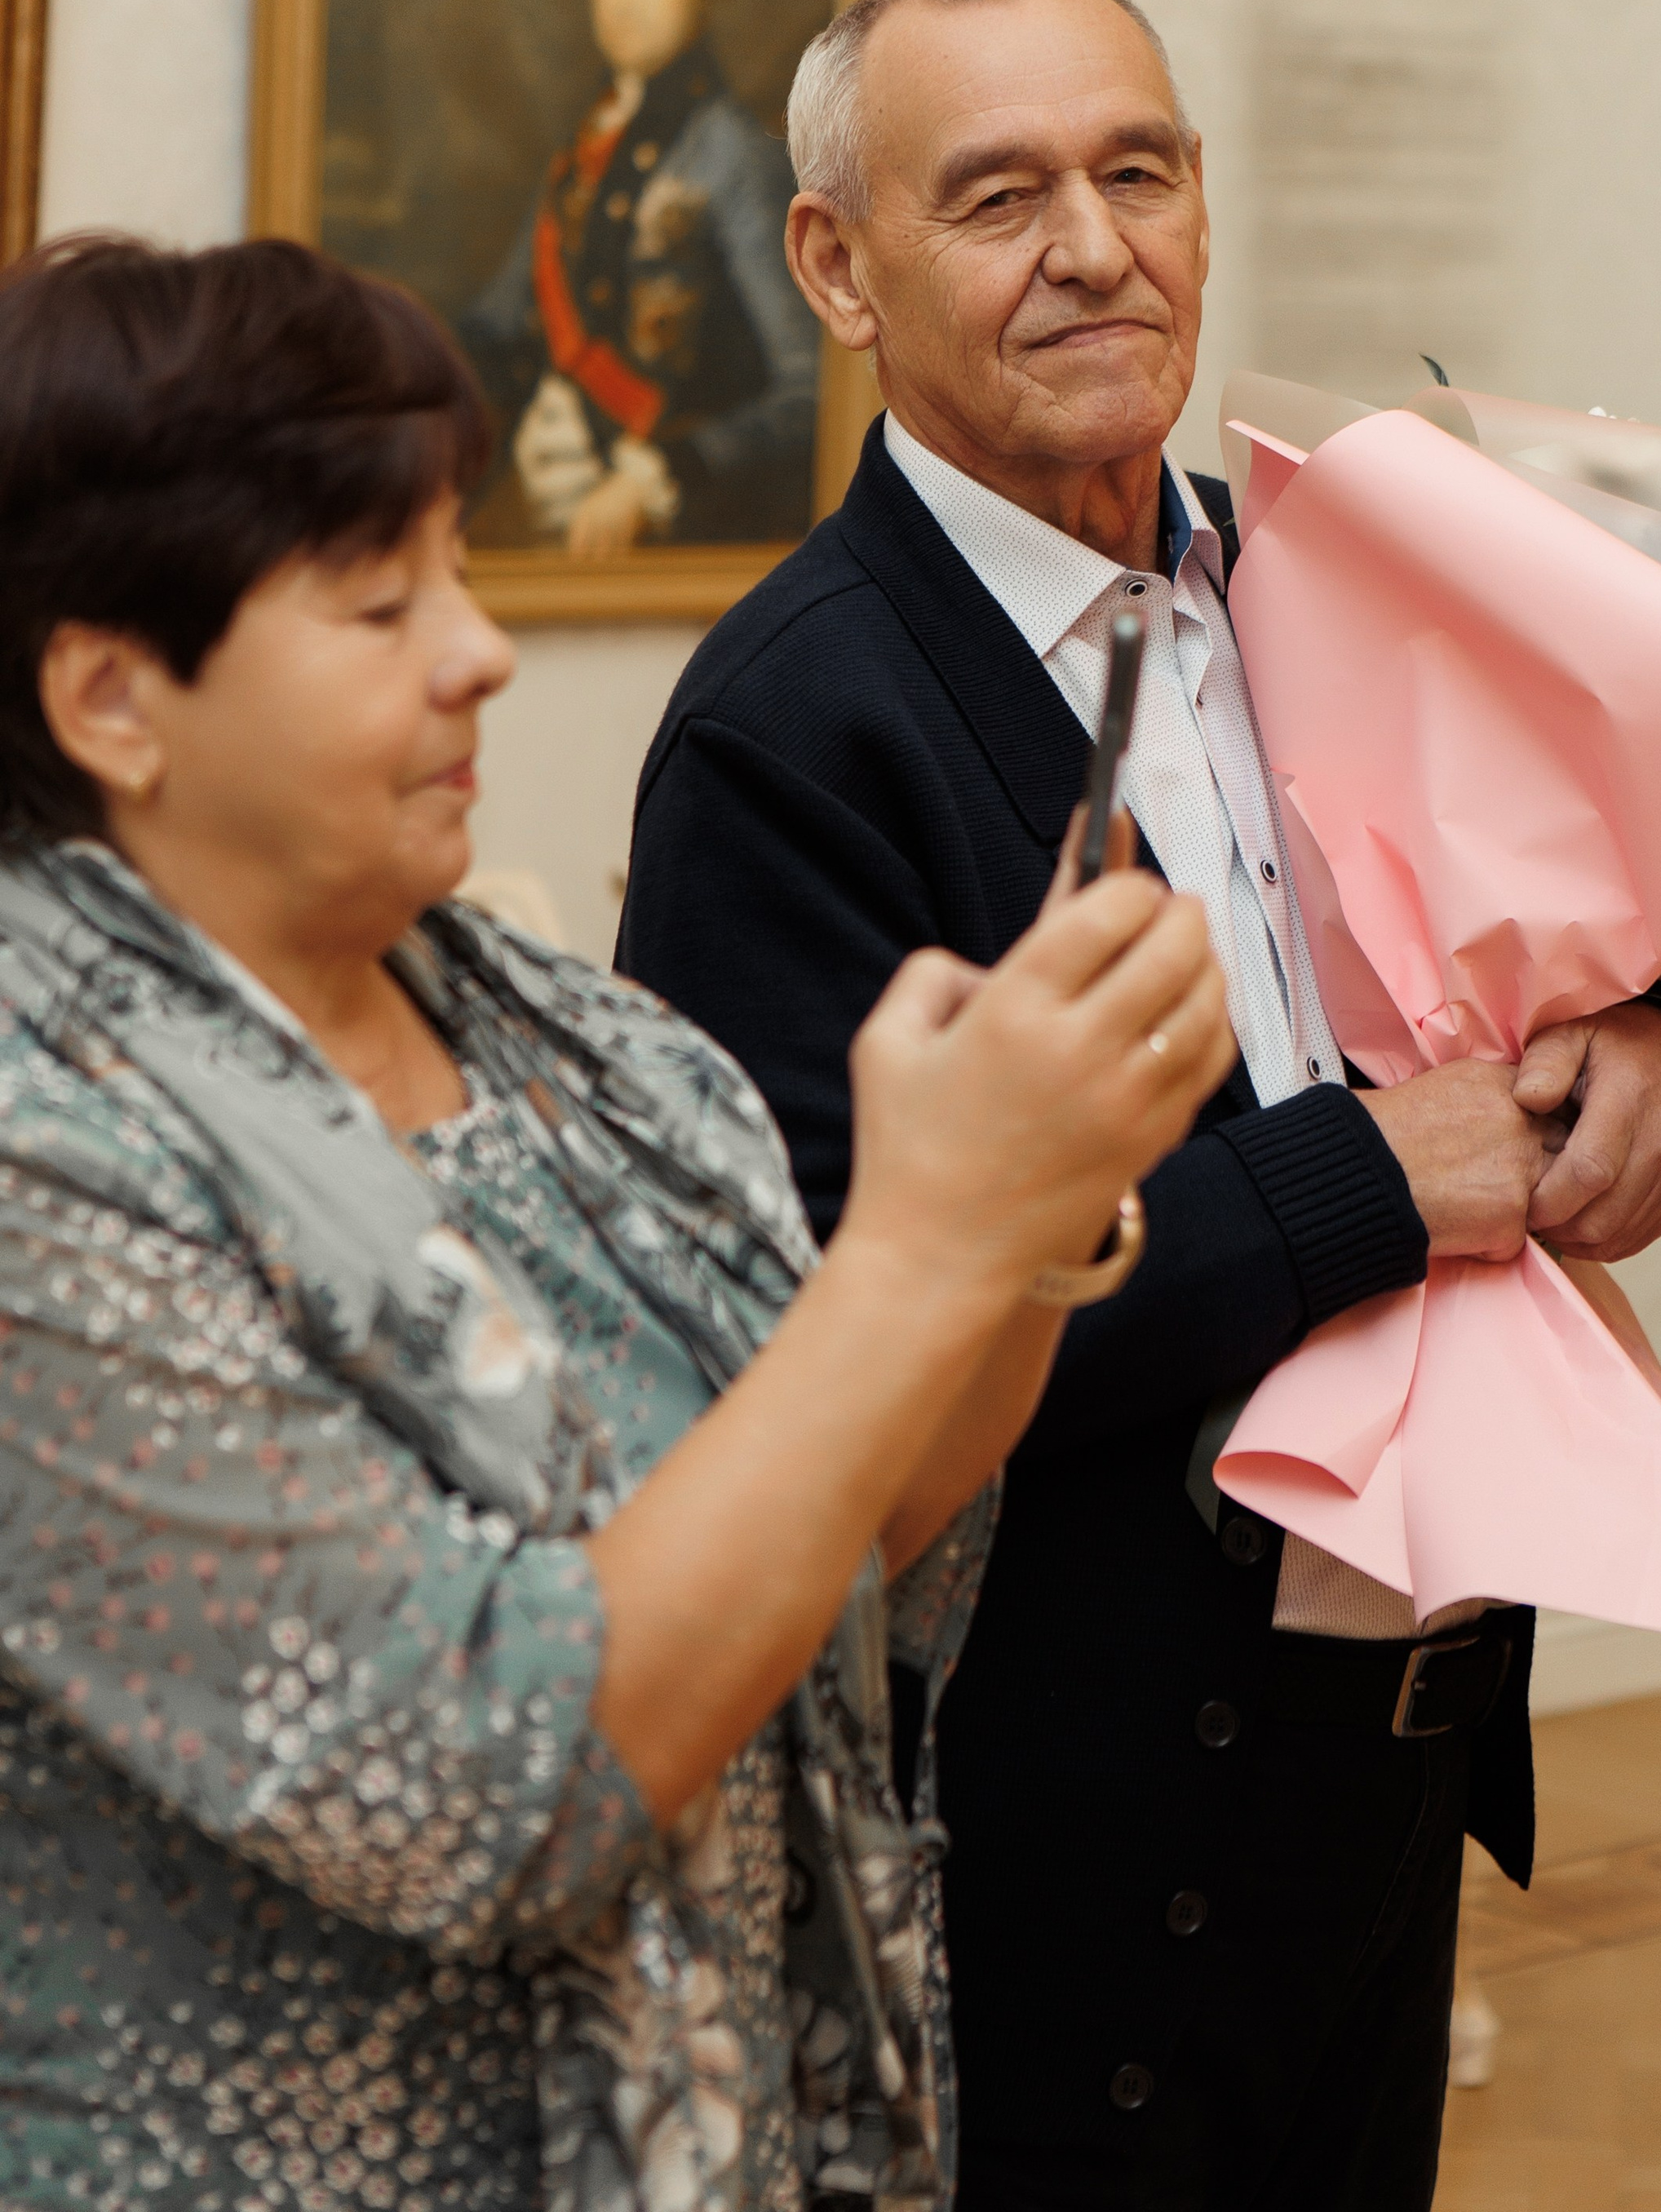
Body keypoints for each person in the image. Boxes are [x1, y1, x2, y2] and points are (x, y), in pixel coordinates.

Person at [618, 0, 1661, 2212]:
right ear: (835, 265)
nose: (1093, 249)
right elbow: (837, 1345)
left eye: (1137, 171)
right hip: (1063, 1799)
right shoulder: (790, 732)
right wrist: (1365, 1184)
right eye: (1000, 195)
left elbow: (1549, 959)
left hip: (1381, 1743)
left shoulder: (1332, 591)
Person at [0, 231, 1234, 2212]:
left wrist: (1028, 1200)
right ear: (112, 695)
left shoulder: (564, 1032)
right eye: (377, 597)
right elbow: (486, 1776)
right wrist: (920, 1242)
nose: (477, 648)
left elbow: (859, 1534)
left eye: (460, 568)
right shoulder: (39, 1144)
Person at [459, 0, 822, 558]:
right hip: (542, 496)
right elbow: (498, 328)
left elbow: (809, 395)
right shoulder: (585, 141)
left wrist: (661, 477)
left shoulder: (734, 159)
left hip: (667, 536)